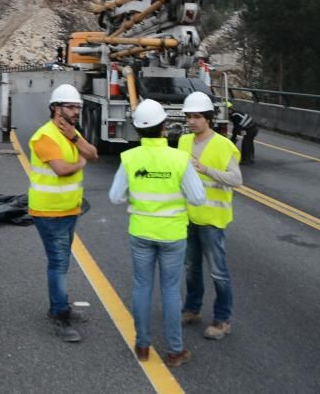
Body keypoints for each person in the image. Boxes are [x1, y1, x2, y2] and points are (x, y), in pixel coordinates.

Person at [110, 99, 205, 367]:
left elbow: (115, 196)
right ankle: (175, 350)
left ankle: (142, 346)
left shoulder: (130, 158)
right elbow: (197, 198)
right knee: (171, 291)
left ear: (138, 130)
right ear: (164, 126)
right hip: (172, 234)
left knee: (142, 287)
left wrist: (138, 196)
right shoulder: (179, 159)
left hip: (141, 231)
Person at [27, 83, 99, 342]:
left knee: (61, 262)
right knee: (58, 264)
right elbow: (62, 169)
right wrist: (80, 161)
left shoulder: (72, 134)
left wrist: (76, 139)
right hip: (48, 212)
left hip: (69, 210)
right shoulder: (44, 136)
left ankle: (58, 307)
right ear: (55, 108)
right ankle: (60, 316)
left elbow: (94, 154)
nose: (76, 111)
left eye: (78, 107)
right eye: (70, 107)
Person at [178, 91, 243, 341]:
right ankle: (192, 309)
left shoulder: (222, 144)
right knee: (191, 268)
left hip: (213, 220)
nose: (191, 121)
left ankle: (222, 319)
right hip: (189, 217)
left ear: (208, 118)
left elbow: (236, 179)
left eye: (196, 117)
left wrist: (206, 170)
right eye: (189, 117)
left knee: (218, 272)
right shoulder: (183, 142)